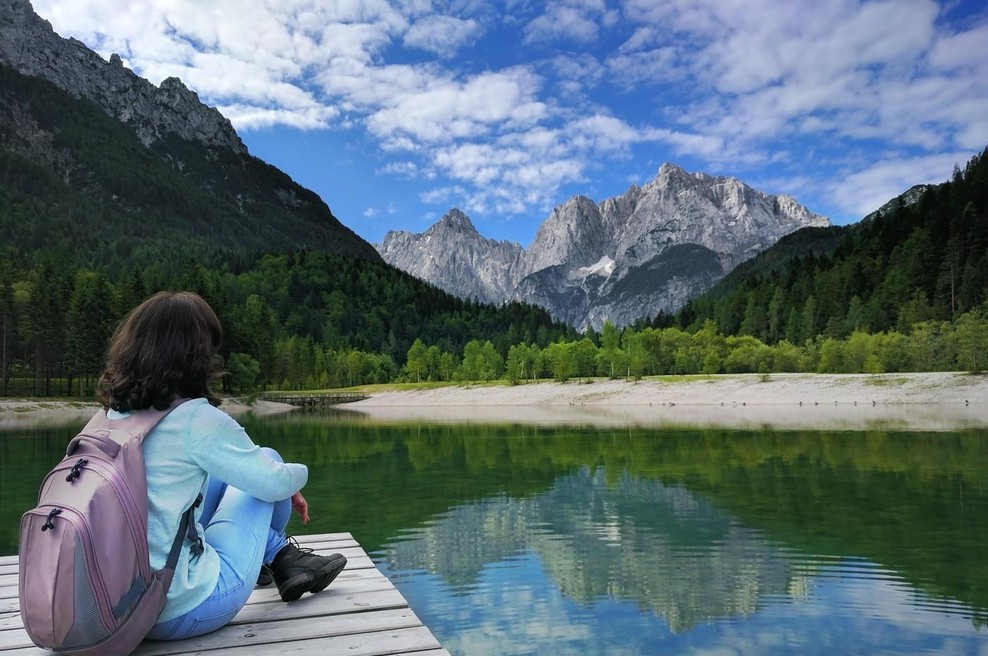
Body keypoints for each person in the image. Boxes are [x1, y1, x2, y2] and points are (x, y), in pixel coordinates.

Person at [95, 290, 346, 641]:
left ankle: (279, 556)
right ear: (195, 354)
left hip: (111, 607)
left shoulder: (107, 418)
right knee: (270, 461)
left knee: (226, 475)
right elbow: (273, 483)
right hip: (178, 610)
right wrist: (294, 477)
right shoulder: (194, 418)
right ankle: (280, 556)